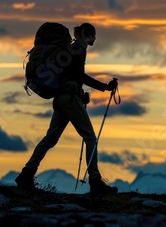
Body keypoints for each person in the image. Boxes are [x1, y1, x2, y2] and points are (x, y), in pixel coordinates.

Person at [15, 23, 118, 195]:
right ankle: (95, 181)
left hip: (62, 98)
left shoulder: (69, 50)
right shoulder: (79, 48)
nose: (95, 39)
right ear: (87, 34)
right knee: (90, 137)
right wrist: (104, 87)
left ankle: (26, 174)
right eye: (93, 35)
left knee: (50, 139)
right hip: (70, 98)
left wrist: (80, 93)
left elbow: (69, 76)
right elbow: (79, 75)